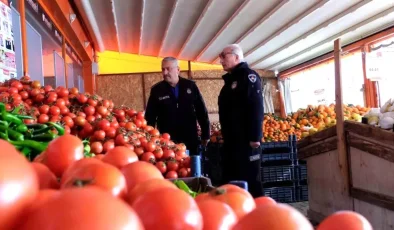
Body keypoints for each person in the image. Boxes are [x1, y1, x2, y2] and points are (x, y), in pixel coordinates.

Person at [218, 44, 264, 197]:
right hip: (232, 142)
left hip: (246, 142)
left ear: (236, 56)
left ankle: (259, 214)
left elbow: (256, 106)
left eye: (224, 56)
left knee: (251, 182)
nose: (221, 60)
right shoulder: (230, 80)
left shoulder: (248, 77)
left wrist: (255, 137)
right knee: (233, 181)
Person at [145, 57, 210, 156]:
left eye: (168, 69)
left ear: (178, 70)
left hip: (190, 138)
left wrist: (206, 134)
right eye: (163, 69)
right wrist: (150, 139)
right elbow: (150, 117)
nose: (165, 72)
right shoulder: (157, 90)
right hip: (167, 141)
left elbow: (201, 111)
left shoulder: (190, 86)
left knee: (191, 167)